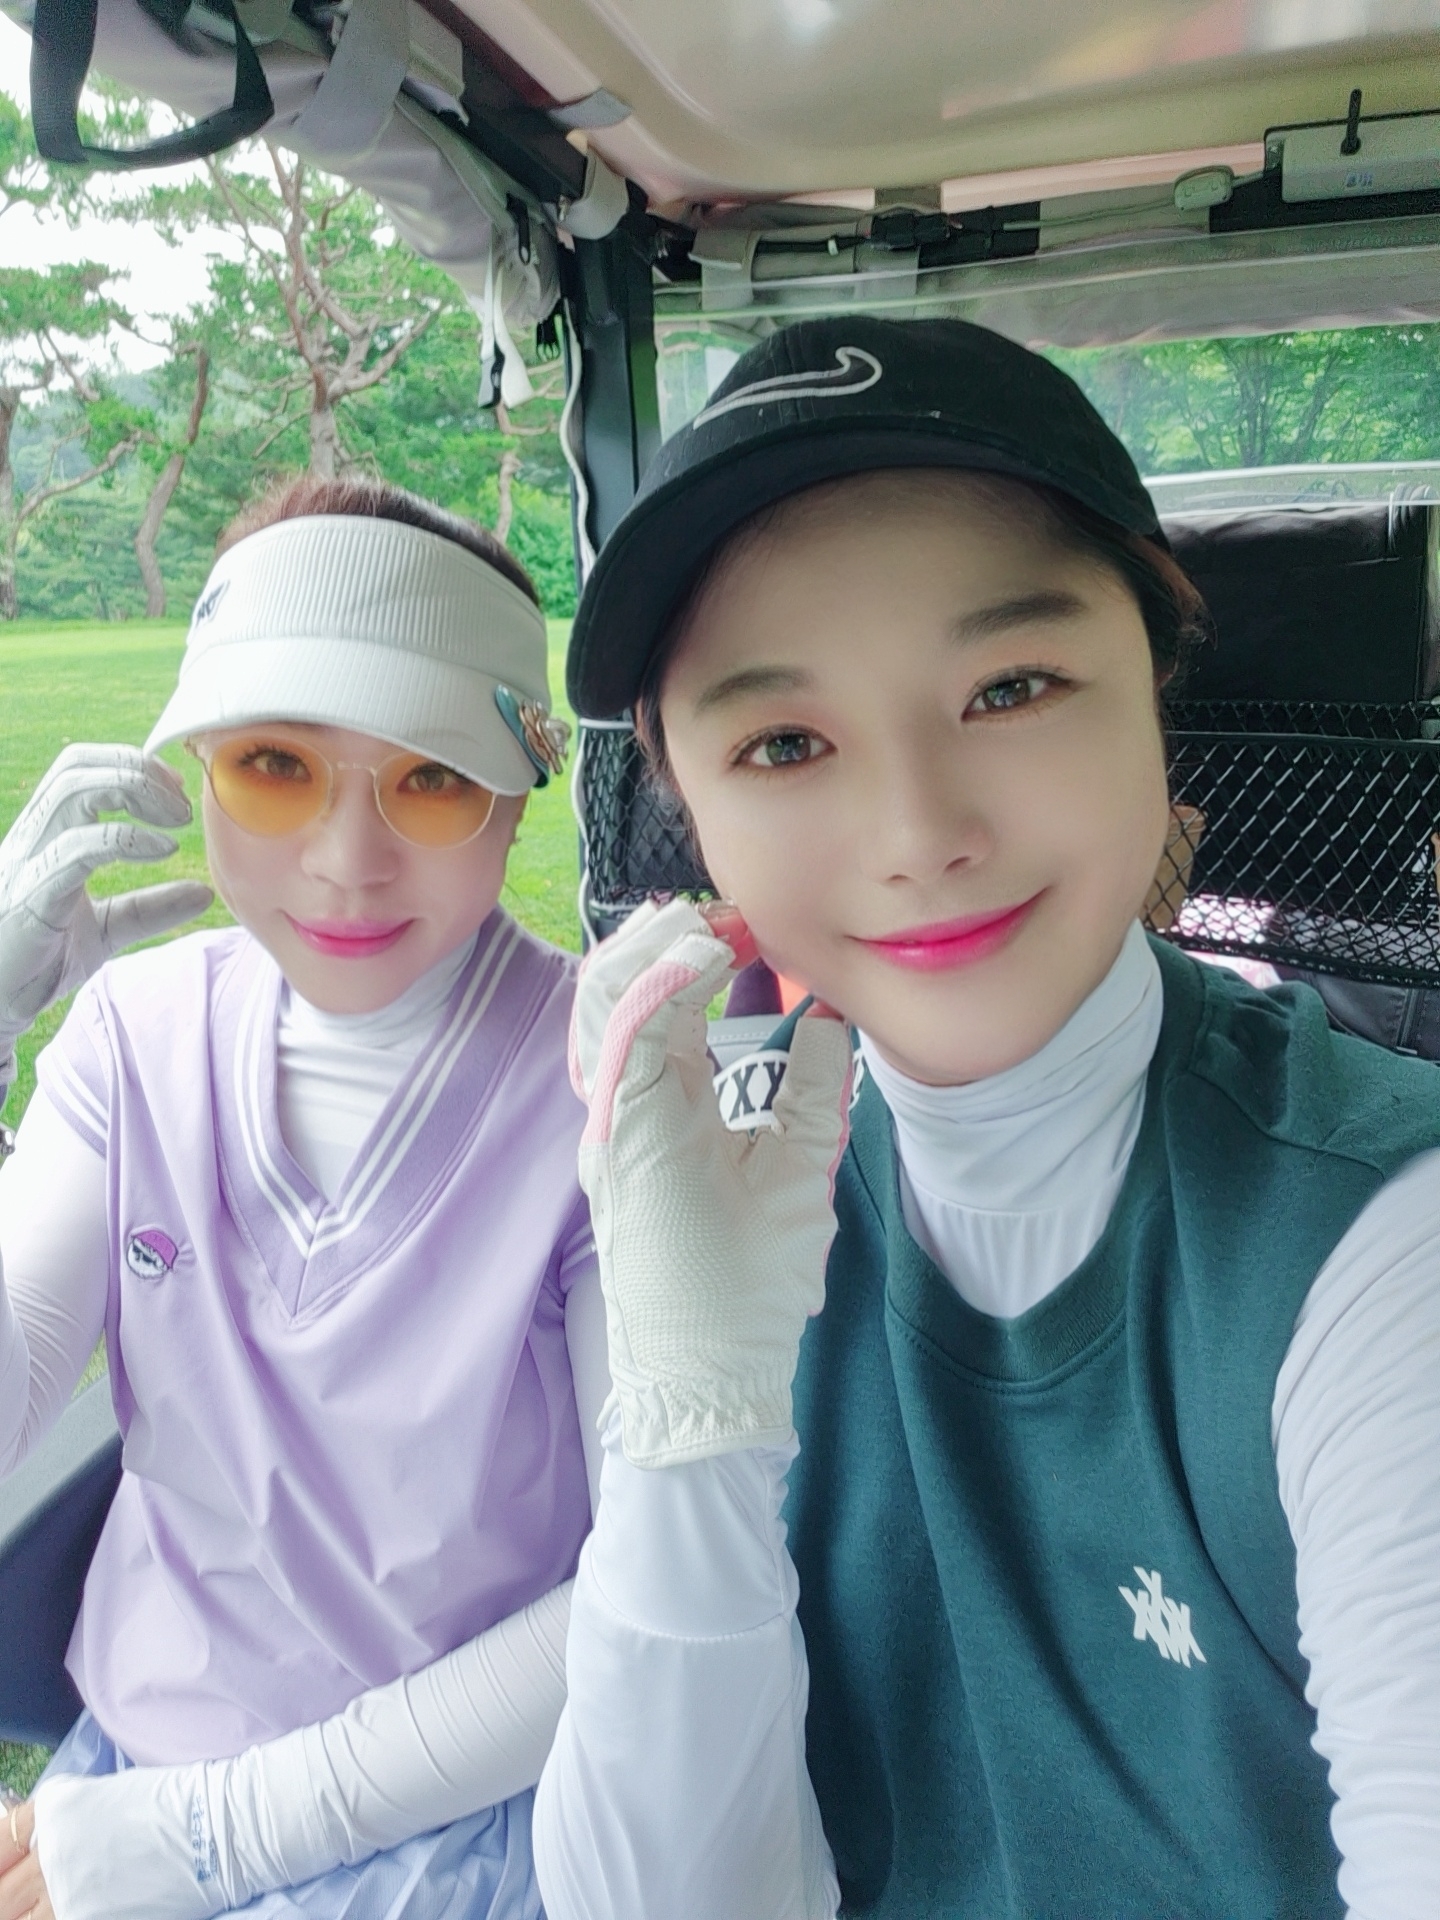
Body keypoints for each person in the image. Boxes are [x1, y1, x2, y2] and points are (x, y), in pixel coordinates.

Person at [530, 317, 1440, 1918]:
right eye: (785, 743)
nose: (918, 832)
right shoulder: (712, 1210)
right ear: (693, 819)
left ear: (1157, 703)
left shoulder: (1380, 1246)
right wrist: (692, 1407)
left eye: (1010, 686)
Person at [0, 476, 610, 1920]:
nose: (346, 863)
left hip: (460, 1828)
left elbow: (644, 1592)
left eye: (431, 777)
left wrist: (204, 1842)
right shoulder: (132, 1040)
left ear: (519, 787)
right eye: (276, 766)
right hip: (129, 1774)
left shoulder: (608, 1083)